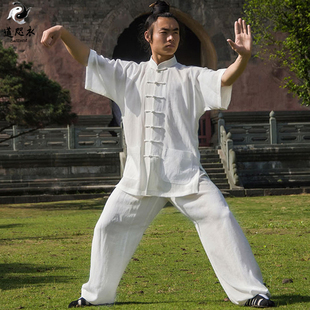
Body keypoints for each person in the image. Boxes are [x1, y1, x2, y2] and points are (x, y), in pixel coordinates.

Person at [41, 1, 276, 308]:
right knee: (108, 226)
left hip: (186, 174)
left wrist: (243, 58)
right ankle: (96, 297)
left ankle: (251, 293)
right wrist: (62, 32)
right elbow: (89, 59)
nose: (171, 38)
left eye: (175, 32)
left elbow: (224, 78)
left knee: (220, 217)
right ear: (148, 37)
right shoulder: (128, 74)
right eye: (164, 32)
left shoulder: (191, 76)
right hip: (138, 178)